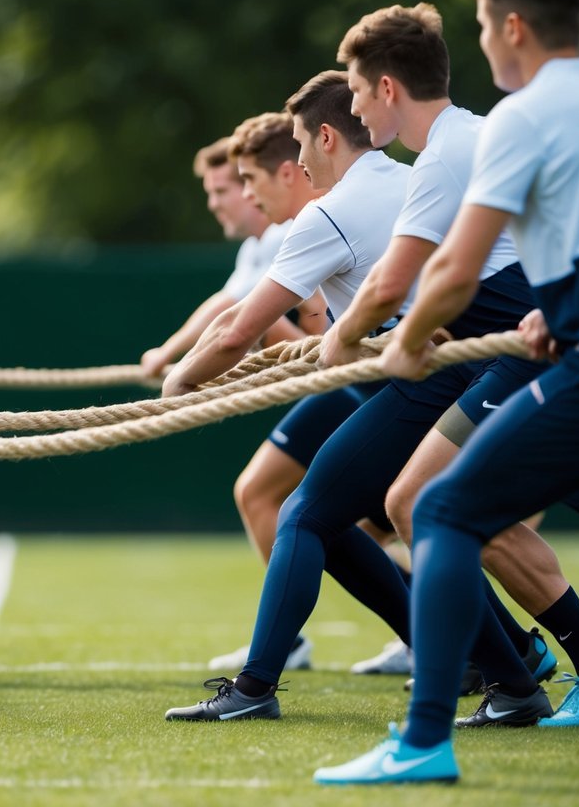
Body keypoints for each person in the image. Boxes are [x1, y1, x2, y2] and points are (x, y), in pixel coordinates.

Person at [316, 0, 579, 784]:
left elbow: (454, 272)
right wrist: (562, 308)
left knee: (437, 507)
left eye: (479, 24)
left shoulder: (522, 114)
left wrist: (401, 344)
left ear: (510, 28)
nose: (478, 43)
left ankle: (423, 741)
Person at [160, 76, 419, 699]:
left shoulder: (320, 217)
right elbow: (255, 322)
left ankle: (506, 659)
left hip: (405, 381)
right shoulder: (391, 184)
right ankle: (493, 658)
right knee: (318, 512)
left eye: (244, 182)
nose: (239, 198)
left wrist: (178, 375)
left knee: (375, 515)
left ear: (317, 145)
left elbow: (245, 326)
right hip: (388, 376)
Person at [139, 136, 316, 379]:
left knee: (254, 324)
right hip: (322, 362)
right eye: (210, 193)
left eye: (220, 191)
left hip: (336, 363)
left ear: (249, 185)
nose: (213, 205)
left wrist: (169, 356)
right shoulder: (253, 246)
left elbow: (228, 306)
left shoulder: (283, 233)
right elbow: (227, 301)